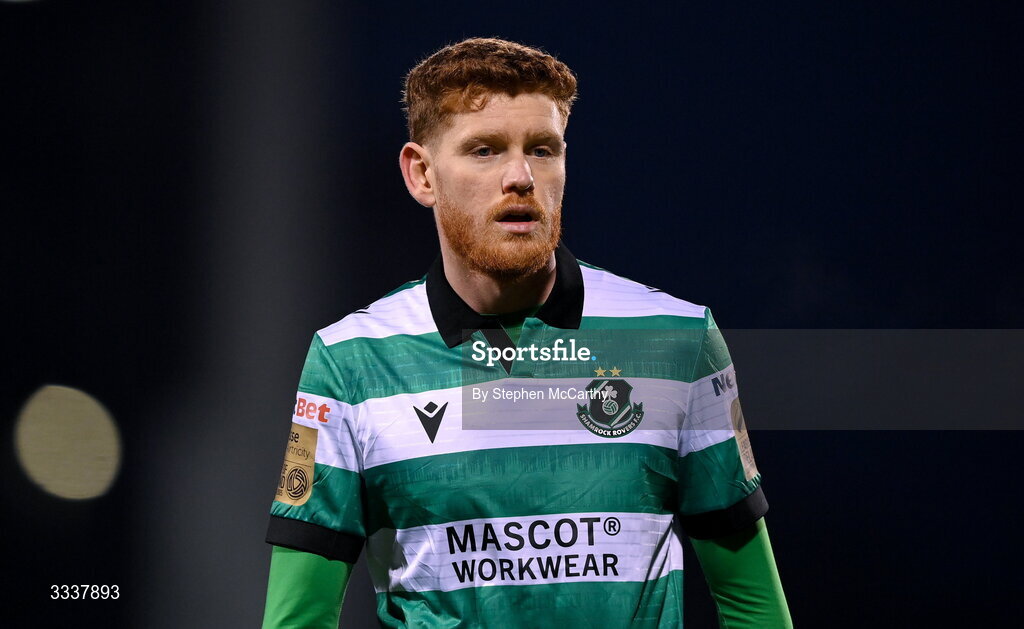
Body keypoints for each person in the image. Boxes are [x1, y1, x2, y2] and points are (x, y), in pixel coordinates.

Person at [262, 37, 791, 628]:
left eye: (542, 150)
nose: (520, 176)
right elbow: (298, 619)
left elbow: (754, 607)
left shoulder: (677, 340)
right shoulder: (348, 362)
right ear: (422, 174)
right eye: (484, 150)